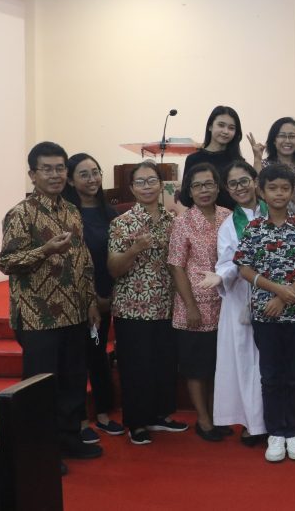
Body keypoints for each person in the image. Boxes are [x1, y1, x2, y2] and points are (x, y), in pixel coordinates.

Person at [0, 141, 103, 462]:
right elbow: (7, 262)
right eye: (47, 169)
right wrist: (45, 251)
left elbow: (84, 260)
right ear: (33, 174)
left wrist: (90, 301)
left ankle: (69, 439)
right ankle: (40, 455)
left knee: (73, 381)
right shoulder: (20, 214)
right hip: (37, 316)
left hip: (74, 311)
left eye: (60, 168)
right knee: (40, 388)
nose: (55, 175)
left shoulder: (71, 211)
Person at [235, 163, 295, 462]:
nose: (279, 193)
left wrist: (288, 295)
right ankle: (275, 433)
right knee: (271, 375)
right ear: (262, 191)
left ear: (293, 192)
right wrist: (275, 290)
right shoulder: (254, 228)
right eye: (272, 188)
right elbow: (244, 268)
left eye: (285, 188)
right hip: (266, 315)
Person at [108, 161, 186, 445]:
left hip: (166, 305)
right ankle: (136, 422)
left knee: (164, 364)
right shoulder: (121, 223)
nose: (147, 186)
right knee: (135, 367)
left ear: (161, 184)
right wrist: (135, 249)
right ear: (132, 188)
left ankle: (159, 415)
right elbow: (113, 268)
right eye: (140, 182)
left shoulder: (172, 221)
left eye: (151, 180)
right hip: (133, 307)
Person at [205, 160, 268, 447]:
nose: (240, 187)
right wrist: (221, 277)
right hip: (242, 298)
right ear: (227, 190)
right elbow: (227, 262)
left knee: (272, 360)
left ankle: (277, 419)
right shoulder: (229, 225)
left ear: (255, 181)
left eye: (244, 180)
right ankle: (252, 423)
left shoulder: (275, 212)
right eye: (233, 184)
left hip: (277, 296)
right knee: (245, 361)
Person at [62, 153, 124, 441]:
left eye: (95, 172)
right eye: (84, 174)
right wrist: (89, 297)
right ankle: (80, 420)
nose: (92, 179)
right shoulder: (66, 214)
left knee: (98, 355)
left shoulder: (109, 213)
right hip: (74, 298)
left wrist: (106, 295)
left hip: (105, 296)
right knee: (75, 360)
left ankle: (103, 414)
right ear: (70, 180)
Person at [168, 162, 231, 441]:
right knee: (197, 368)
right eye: (197, 186)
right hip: (193, 307)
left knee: (218, 366)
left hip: (225, 304)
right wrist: (191, 306)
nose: (204, 190)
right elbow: (176, 266)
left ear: (217, 187)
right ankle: (204, 421)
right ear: (189, 191)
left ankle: (218, 416)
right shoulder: (182, 222)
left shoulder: (229, 216)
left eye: (209, 184)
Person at [250, 117, 295, 218]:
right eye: (282, 136)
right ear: (274, 140)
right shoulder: (263, 165)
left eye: (292, 136)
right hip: (270, 223)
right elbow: (257, 190)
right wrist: (257, 159)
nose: (287, 141)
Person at [184, 105, 244, 209]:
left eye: (231, 128)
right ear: (210, 126)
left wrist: (257, 159)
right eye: (221, 125)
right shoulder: (193, 159)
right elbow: (185, 197)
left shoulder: (238, 161)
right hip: (203, 216)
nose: (225, 131)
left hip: (234, 216)